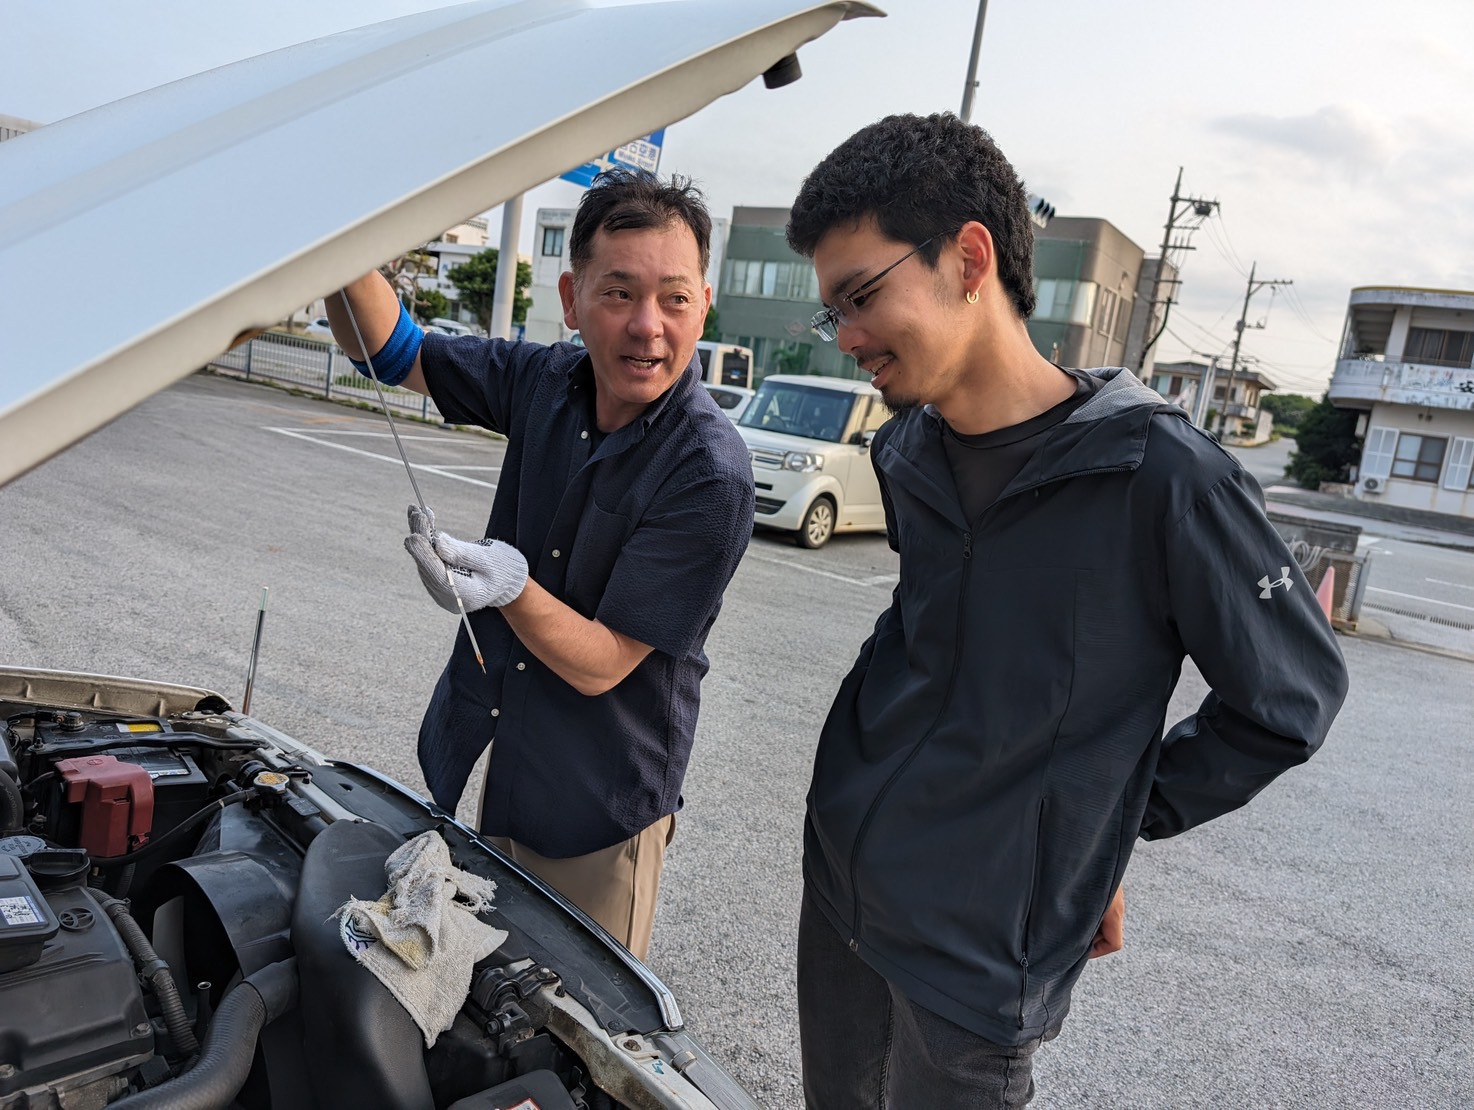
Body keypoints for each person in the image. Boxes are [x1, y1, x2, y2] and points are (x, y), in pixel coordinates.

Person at [784, 113, 1349, 1108]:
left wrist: (1098, 835)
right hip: (842, 893)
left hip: (978, 960)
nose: (849, 338)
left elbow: (1288, 697)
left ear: (968, 257)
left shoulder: (1161, 475)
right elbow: (924, 641)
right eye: (834, 312)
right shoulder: (906, 453)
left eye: (861, 295)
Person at [326, 170, 754, 961]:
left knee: (574, 1034)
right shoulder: (546, 381)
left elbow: (602, 664)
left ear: (705, 302)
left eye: (675, 299)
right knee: (478, 999)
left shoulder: (709, 472)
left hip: (601, 807)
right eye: (618, 293)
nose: (647, 327)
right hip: (504, 763)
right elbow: (389, 350)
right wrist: (334, 239)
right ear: (571, 296)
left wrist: (509, 584)